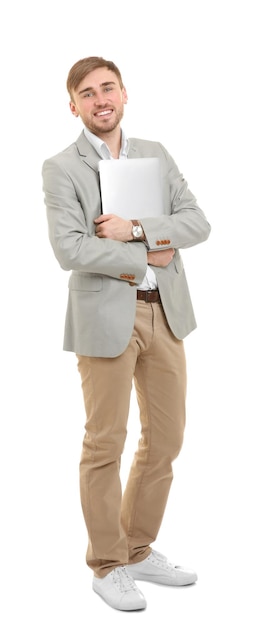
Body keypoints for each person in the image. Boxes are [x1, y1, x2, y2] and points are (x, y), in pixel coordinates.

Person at [42, 56, 211, 612]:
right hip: (105, 316)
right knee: (104, 443)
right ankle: (108, 564)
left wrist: (135, 227)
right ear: (74, 106)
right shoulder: (61, 167)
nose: (99, 99)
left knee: (167, 439)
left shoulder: (155, 155)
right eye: (86, 93)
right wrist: (144, 255)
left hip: (167, 312)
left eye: (107, 88)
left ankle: (138, 548)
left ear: (124, 93)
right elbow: (70, 248)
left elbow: (196, 222)